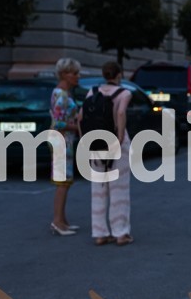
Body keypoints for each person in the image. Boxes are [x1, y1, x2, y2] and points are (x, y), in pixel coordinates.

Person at [86, 61, 133, 246]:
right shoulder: (124, 93)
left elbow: (81, 116)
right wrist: (120, 137)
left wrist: (86, 141)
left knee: (98, 190)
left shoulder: (92, 92)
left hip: (95, 143)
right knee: (119, 189)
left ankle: (100, 233)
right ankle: (120, 232)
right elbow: (120, 113)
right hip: (116, 143)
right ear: (119, 74)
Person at [50, 57, 82, 236]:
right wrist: (78, 127)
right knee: (63, 182)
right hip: (62, 140)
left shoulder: (61, 93)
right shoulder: (62, 95)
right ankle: (57, 221)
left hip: (63, 140)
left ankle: (62, 220)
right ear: (64, 74)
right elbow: (58, 123)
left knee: (65, 181)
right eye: (74, 73)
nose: (78, 76)